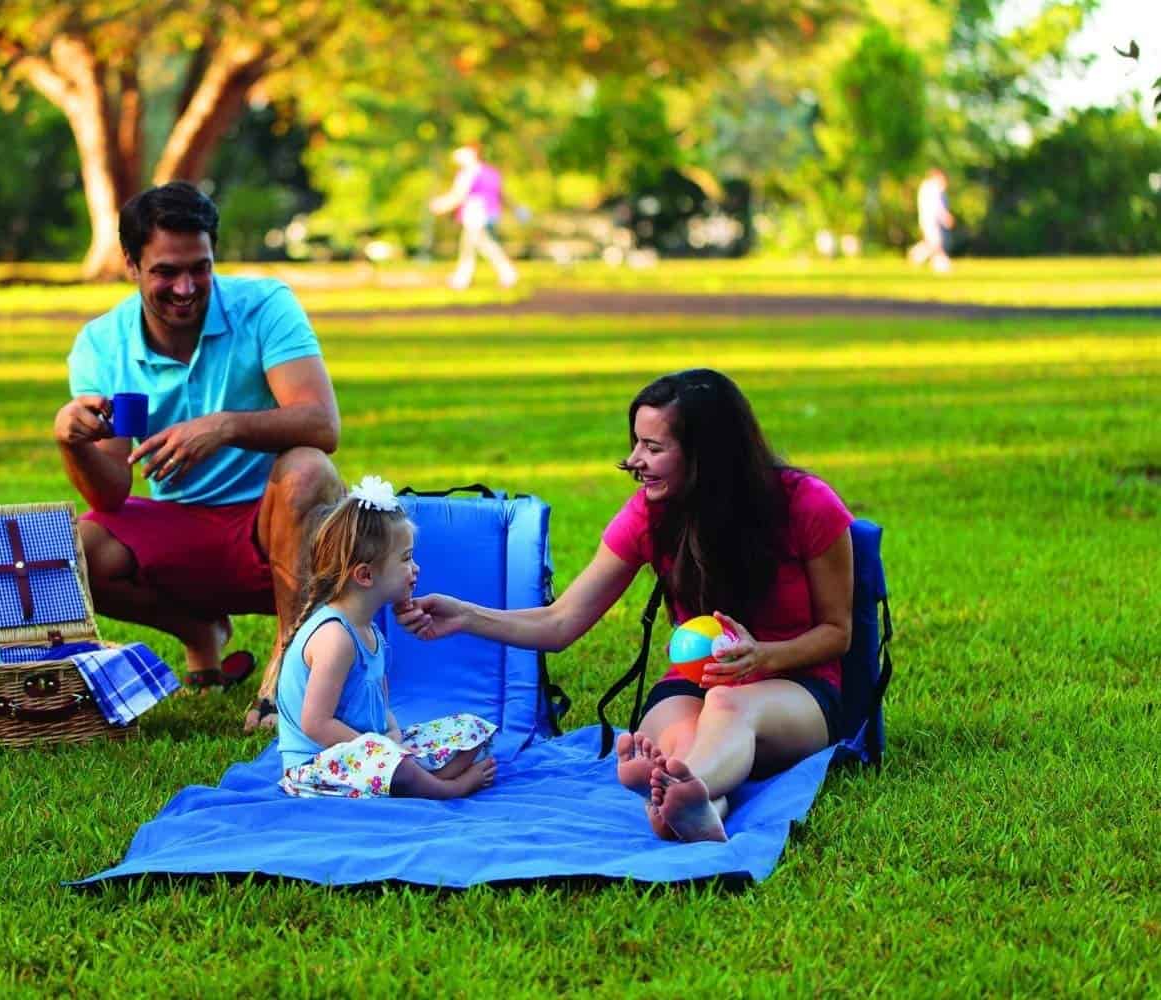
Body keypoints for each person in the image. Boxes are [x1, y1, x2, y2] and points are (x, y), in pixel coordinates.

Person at [397, 369, 854, 841]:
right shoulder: (649, 513)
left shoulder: (805, 504)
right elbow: (561, 621)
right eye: (637, 443)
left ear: (708, 454)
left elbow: (838, 633)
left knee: (727, 705)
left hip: (794, 688)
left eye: (654, 448)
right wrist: (467, 616)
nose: (635, 461)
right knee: (678, 744)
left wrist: (763, 656)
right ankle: (697, 806)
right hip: (691, 681)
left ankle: (683, 789)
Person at [54, 181, 343, 731]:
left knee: (307, 466)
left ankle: (288, 661)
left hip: (278, 520)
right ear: (132, 265)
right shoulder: (105, 344)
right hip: (185, 527)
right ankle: (200, 632)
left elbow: (321, 424)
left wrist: (224, 426)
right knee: (78, 552)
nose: (186, 287)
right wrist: (71, 441)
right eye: (165, 271)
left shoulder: (264, 307)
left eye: (200, 268)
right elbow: (113, 490)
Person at [275, 475, 498, 799]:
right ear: (365, 575)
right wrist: (381, 748)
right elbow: (316, 724)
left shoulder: (369, 630)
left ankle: (415, 776)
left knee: (470, 730)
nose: (416, 568)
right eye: (406, 558)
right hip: (319, 765)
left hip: (368, 752)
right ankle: (445, 787)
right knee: (394, 763)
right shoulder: (335, 638)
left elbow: (381, 707)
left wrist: (391, 735)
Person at [429, 143, 519, 290]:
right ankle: (507, 273)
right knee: (483, 244)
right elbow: (500, 194)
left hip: (476, 213)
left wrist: (441, 205)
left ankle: (462, 278)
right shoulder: (490, 172)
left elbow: (459, 195)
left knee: (470, 245)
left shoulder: (470, 173)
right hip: (487, 212)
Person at [909, 167, 955, 273]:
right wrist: (945, 217)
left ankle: (916, 255)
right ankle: (940, 264)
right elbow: (937, 206)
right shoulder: (933, 187)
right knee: (935, 242)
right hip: (930, 220)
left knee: (932, 243)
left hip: (927, 219)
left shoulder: (927, 186)